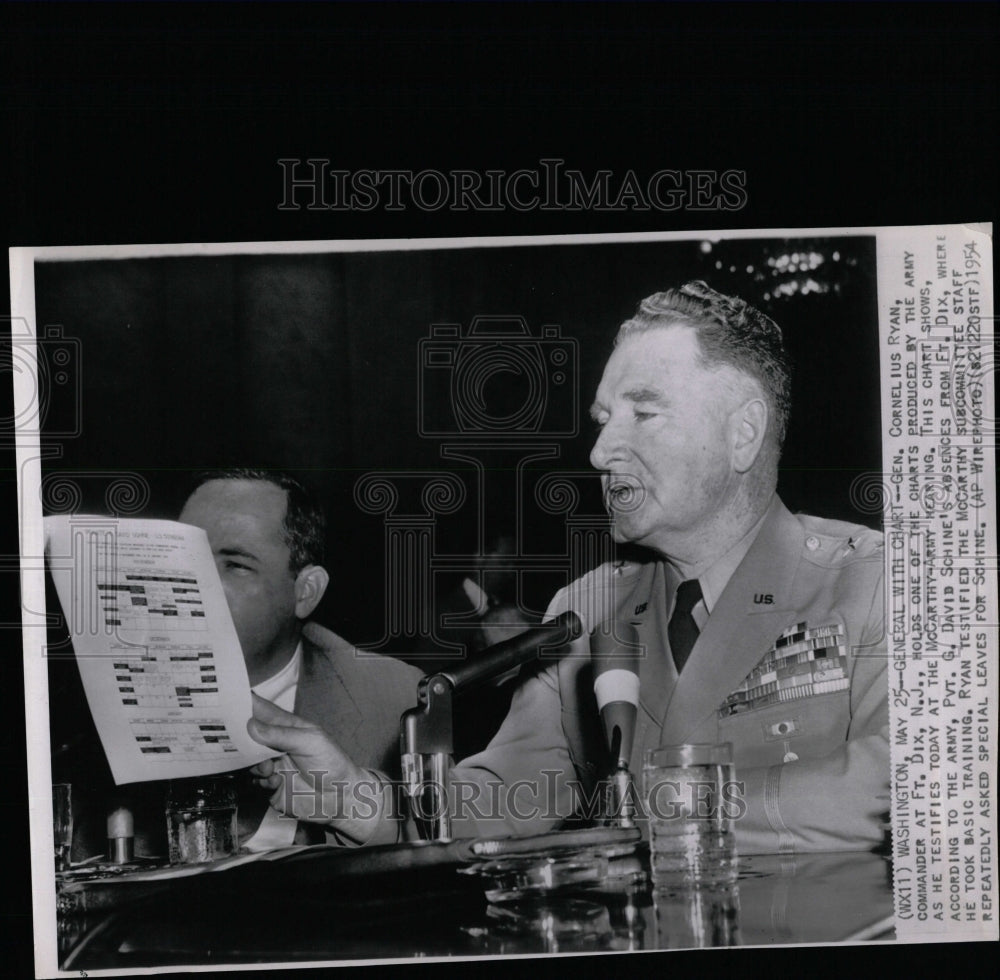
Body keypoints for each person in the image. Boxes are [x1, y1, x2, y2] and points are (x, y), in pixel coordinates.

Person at [248, 283, 889, 855]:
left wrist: (661, 809)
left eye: (644, 412)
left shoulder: (876, 581)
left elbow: (903, 786)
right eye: (604, 420)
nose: (601, 450)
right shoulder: (587, 609)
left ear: (743, 432)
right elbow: (513, 791)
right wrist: (360, 801)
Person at [52, 469, 424, 856]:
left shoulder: (397, 700)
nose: (191, 582)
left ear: (306, 592)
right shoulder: (86, 711)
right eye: (183, 556)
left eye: (234, 564)